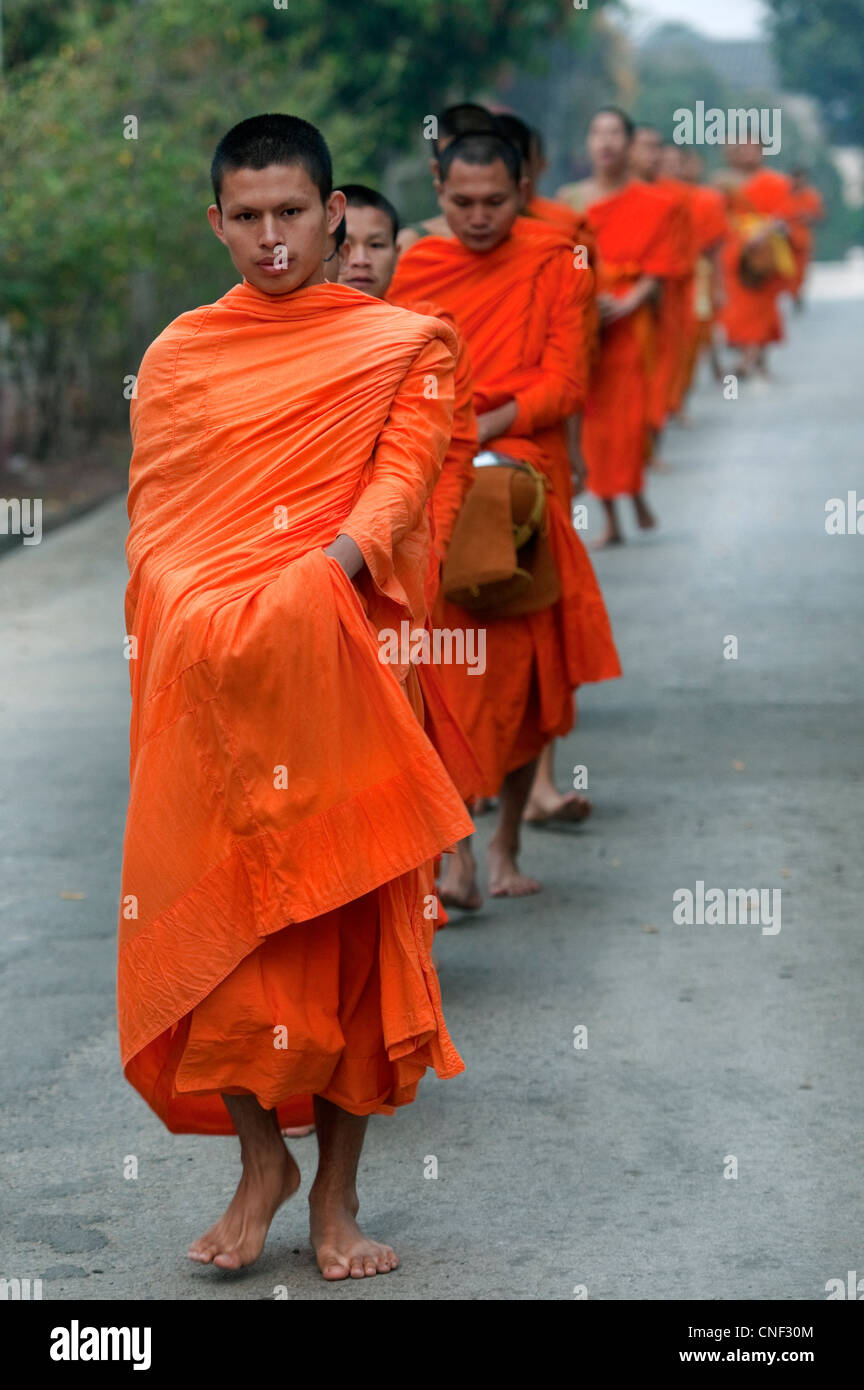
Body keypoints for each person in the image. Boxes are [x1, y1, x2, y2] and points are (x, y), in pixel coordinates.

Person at [119, 113, 473, 1281]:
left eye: (292, 214)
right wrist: (203, 605)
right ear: (215, 221)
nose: (272, 240)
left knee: (349, 937)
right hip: (215, 682)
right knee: (216, 932)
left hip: (336, 667)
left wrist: (324, 577)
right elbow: (159, 525)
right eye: (248, 218)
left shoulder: (400, 340)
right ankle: (260, 1159)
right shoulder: (178, 356)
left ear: (335, 215)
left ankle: (337, 1200)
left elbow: (404, 480)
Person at [390, 132, 620, 904]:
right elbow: (403, 376)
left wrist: (476, 427)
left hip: (525, 480)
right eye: (461, 203)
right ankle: (454, 856)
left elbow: (566, 380)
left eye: (496, 201)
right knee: (445, 683)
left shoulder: (559, 260)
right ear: (438, 191)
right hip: (443, 486)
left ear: (524, 187)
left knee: (523, 680)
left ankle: (507, 843)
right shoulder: (418, 265)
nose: (479, 218)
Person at [337, 182, 484, 808]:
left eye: (379, 244)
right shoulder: (299, 337)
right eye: (348, 245)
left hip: (407, 550)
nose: (362, 260)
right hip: (323, 555)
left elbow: (449, 458)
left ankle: (451, 860)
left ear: (402, 250)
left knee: (415, 703)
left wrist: (435, 551)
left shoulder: (425, 337)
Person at [557, 107, 681, 546]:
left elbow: (661, 266)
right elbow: (562, 261)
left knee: (628, 422)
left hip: (631, 326)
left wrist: (629, 301)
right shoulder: (569, 201)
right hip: (585, 324)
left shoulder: (655, 203)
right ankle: (612, 511)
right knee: (594, 424)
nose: (605, 142)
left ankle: (633, 493)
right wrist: (585, 296)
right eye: (597, 133)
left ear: (630, 144)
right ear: (588, 143)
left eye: (615, 134)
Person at [628, 125, 695, 439]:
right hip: (611, 300)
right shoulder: (594, 198)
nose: (652, 156)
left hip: (664, 296)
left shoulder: (672, 200)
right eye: (645, 147)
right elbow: (580, 251)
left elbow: (681, 253)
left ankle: (650, 437)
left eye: (657, 148)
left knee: (658, 367)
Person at [715, 138, 797, 379]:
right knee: (737, 308)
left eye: (755, 148)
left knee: (762, 306)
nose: (749, 154)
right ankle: (750, 355)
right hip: (735, 252)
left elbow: (785, 216)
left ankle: (750, 359)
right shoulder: (725, 183)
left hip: (764, 252)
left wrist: (763, 231)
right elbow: (717, 214)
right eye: (743, 149)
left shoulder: (776, 182)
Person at [396, 102, 501, 251]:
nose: (468, 170)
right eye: (452, 160)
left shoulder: (536, 244)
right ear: (436, 170)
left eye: (480, 157)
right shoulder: (410, 246)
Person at [677, 149, 728, 390]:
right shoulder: (667, 196)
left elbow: (716, 245)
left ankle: (713, 366)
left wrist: (719, 285)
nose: (688, 169)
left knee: (703, 323)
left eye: (693, 163)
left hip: (701, 272)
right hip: (675, 273)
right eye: (683, 163)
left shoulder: (709, 198)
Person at [787, 168, 825, 309]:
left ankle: (797, 295)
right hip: (786, 241)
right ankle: (790, 293)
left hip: (804, 242)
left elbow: (820, 216)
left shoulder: (811, 196)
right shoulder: (784, 194)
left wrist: (808, 217)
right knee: (787, 270)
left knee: (801, 271)